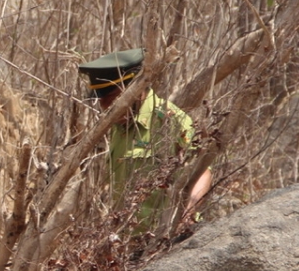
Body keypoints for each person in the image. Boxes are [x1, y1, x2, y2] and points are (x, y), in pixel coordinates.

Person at [78, 48, 212, 229]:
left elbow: (202, 171)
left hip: (164, 236)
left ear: (135, 88)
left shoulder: (169, 120)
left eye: (112, 98)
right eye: (101, 100)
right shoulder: (118, 125)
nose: (105, 107)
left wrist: (187, 214)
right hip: (126, 240)